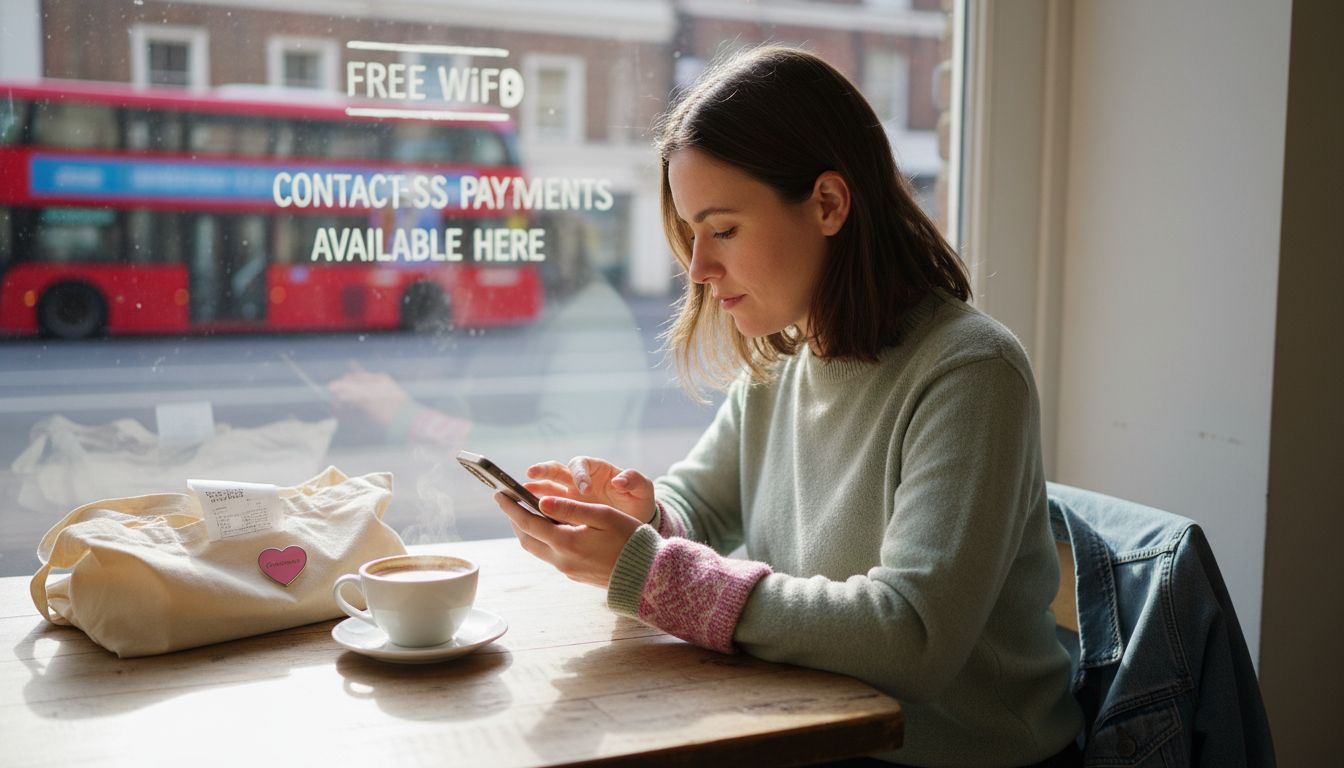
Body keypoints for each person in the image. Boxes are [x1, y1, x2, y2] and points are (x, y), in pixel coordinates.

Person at [493, 46, 1084, 767]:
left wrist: (653, 571)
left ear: (828, 204)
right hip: (816, 727)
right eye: (691, 234)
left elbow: (912, 639)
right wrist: (639, 513)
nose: (700, 271)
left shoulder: (971, 372)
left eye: (724, 230)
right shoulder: (786, 355)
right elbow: (699, 505)